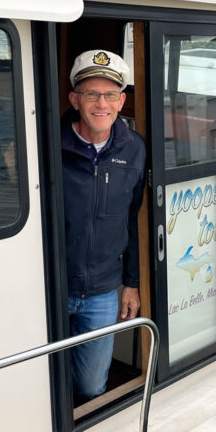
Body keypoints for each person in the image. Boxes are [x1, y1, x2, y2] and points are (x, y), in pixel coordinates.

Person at [61, 49, 146, 404]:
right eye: (92, 94)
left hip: (102, 292)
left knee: (92, 387)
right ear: (75, 99)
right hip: (51, 287)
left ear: (122, 100)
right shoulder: (49, 145)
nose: (101, 103)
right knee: (44, 380)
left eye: (110, 95)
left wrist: (131, 283)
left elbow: (134, 217)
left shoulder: (135, 149)